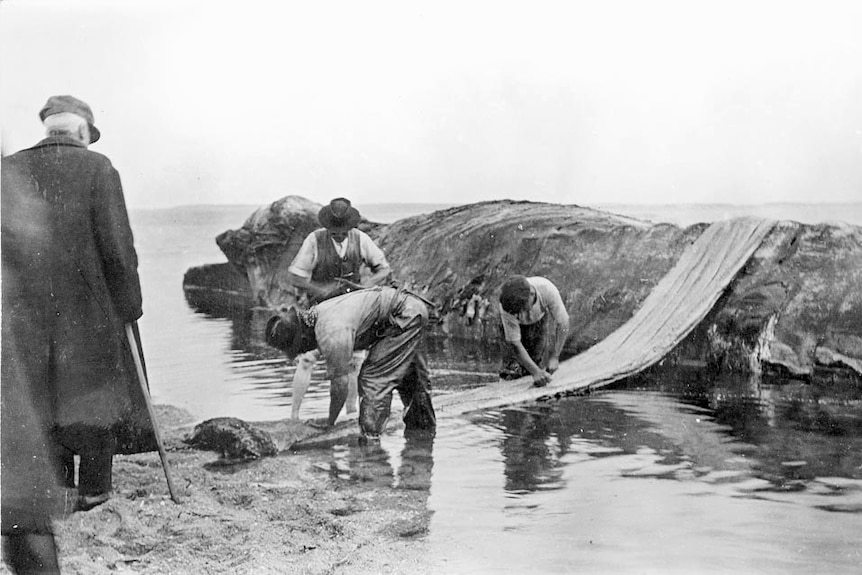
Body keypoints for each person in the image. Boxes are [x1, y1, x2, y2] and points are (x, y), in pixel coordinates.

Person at [1, 95, 156, 513]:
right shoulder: (97, 166)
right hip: (88, 311)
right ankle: (93, 489)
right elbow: (117, 247)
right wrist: (130, 304)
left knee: (40, 393)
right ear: (83, 131)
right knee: (92, 394)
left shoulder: (8, 168)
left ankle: (57, 487)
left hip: (23, 310)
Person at [265, 287, 436, 439]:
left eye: (299, 348)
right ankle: (423, 437)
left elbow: (340, 385)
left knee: (372, 379)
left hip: (404, 316)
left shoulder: (331, 333)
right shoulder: (317, 314)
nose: (303, 352)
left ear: (302, 338)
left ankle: (371, 447)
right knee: (412, 378)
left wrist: (330, 424)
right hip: (411, 310)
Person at [285, 198, 391, 422]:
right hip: (319, 308)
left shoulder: (361, 239)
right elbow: (295, 275)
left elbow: (383, 268)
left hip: (352, 309)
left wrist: (367, 286)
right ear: (327, 227)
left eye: (343, 231)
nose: (340, 235)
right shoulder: (314, 240)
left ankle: (350, 413)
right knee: (306, 359)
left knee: (354, 362)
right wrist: (319, 288)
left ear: (350, 227)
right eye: (335, 232)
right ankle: (293, 416)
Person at [498, 275, 570, 387]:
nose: (521, 313)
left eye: (522, 308)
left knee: (536, 360)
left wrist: (555, 356)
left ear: (531, 294)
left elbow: (563, 323)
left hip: (538, 322)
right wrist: (535, 372)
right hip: (511, 326)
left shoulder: (547, 289)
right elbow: (515, 343)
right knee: (511, 369)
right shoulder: (507, 304)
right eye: (518, 311)